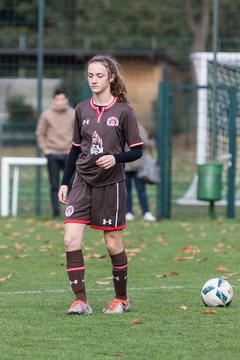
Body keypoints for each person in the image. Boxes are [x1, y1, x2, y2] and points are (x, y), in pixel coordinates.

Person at [58, 54, 144, 315]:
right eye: (90, 75)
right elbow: (74, 150)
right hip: (83, 182)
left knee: (113, 245)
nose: (94, 80)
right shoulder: (81, 109)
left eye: (99, 75)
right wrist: (65, 182)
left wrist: (115, 158)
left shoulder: (124, 111)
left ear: (111, 78)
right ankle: (81, 301)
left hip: (111, 185)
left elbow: (137, 151)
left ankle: (121, 299)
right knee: (70, 238)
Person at [36, 89, 75, 218]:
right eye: (57, 99)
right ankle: (56, 213)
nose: (60, 102)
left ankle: (71, 211)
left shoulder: (74, 114)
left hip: (69, 153)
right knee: (54, 184)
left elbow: (79, 133)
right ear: (54, 101)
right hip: (52, 153)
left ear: (66, 100)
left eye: (62, 99)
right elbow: (40, 133)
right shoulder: (46, 114)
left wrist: (75, 150)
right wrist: (45, 149)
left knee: (71, 184)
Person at [125, 124, 156, 222]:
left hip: (139, 166)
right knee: (126, 190)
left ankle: (146, 212)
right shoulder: (119, 126)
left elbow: (147, 143)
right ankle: (128, 212)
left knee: (141, 190)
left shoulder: (139, 127)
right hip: (125, 165)